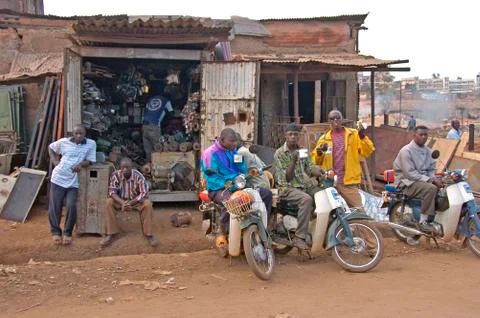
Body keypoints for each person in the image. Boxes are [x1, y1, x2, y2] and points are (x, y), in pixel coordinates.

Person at [201, 128, 272, 243]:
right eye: (231, 141)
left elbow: (241, 168)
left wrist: (245, 175)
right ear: (222, 140)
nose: (235, 143)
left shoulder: (233, 151)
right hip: (218, 188)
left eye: (235, 141)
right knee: (229, 201)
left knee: (266, 194)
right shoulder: (210, 153)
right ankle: (222, 232)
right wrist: (227, 183)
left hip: (238, 185)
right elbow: (211, 177)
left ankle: (264, 228)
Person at [273, 123, 324, 250]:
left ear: (299, 136)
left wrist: (319, 170)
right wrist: (294, 161)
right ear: (285, 136)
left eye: (296, 134)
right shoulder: (280, 153)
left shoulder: (302, 150)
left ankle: (313, 230)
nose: (293, 137)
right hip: (286, 189)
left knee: (322, 195)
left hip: (303, 186)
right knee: (306, 199)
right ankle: (299, 237)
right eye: (290, 134)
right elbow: (287, 178)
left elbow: (309, 168)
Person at [311, 110, 375, 210]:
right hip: (330, 183)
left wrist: (362, 137)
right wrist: (319, 153)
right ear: (329, 121)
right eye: (332, 119)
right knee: (332, 215)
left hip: (348, 182)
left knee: (359, 212)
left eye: (337, 118)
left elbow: (368, 151)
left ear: (342, 120)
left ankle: (359, 226)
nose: (335, 121)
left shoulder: (353, 134)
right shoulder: (324, 139)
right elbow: (316, 162)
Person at [48, 125, 96, 245]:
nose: (79, 136)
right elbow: (51, 148)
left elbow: (90, 161)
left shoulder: (91, 144)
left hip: (74, 180)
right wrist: (55, 161)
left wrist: (81, 164)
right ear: (72, 134)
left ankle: (67, 232)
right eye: (76, 133)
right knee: (55, 206)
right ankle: (56, 232)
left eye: (81, 133)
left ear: (85, 134)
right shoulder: (64, 142)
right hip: (58, 178)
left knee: (71, 205)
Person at [393, 125, 444, 232]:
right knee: (431, 188)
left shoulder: (429, 151)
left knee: (444, 189)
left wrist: (434, 178)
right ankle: (423, 221)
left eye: (426, 135)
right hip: (406, 182)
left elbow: (431, 169)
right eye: (421, 134)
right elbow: (410, 173)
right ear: (414, 135)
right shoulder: (406, 151)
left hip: (421, 181)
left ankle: (436, 218)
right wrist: (431, 180)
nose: (424, 137)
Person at [101, 157, 159, 247]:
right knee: (109, 202)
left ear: (132, 167)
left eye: (127, 167)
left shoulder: (138, 176)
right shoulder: (116, 175)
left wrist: (130, 203)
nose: (125, 170)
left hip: (135, 201)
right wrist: (122, 203)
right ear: (120, 167)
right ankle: (111, 233)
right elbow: (112, 192)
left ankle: (149, 234)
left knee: (147, 204)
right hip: (121, 201)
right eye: (123, 167)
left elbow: (144, 193)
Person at [142, 87, 174, 162]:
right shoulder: (166, 100)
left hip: (144, 126)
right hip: (154, 126)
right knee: (158, 148)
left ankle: (148, 167)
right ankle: (157, 168)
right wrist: (165, 117)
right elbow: (171, 113)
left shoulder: (150, 99)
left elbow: (147, 111)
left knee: (148, 150)